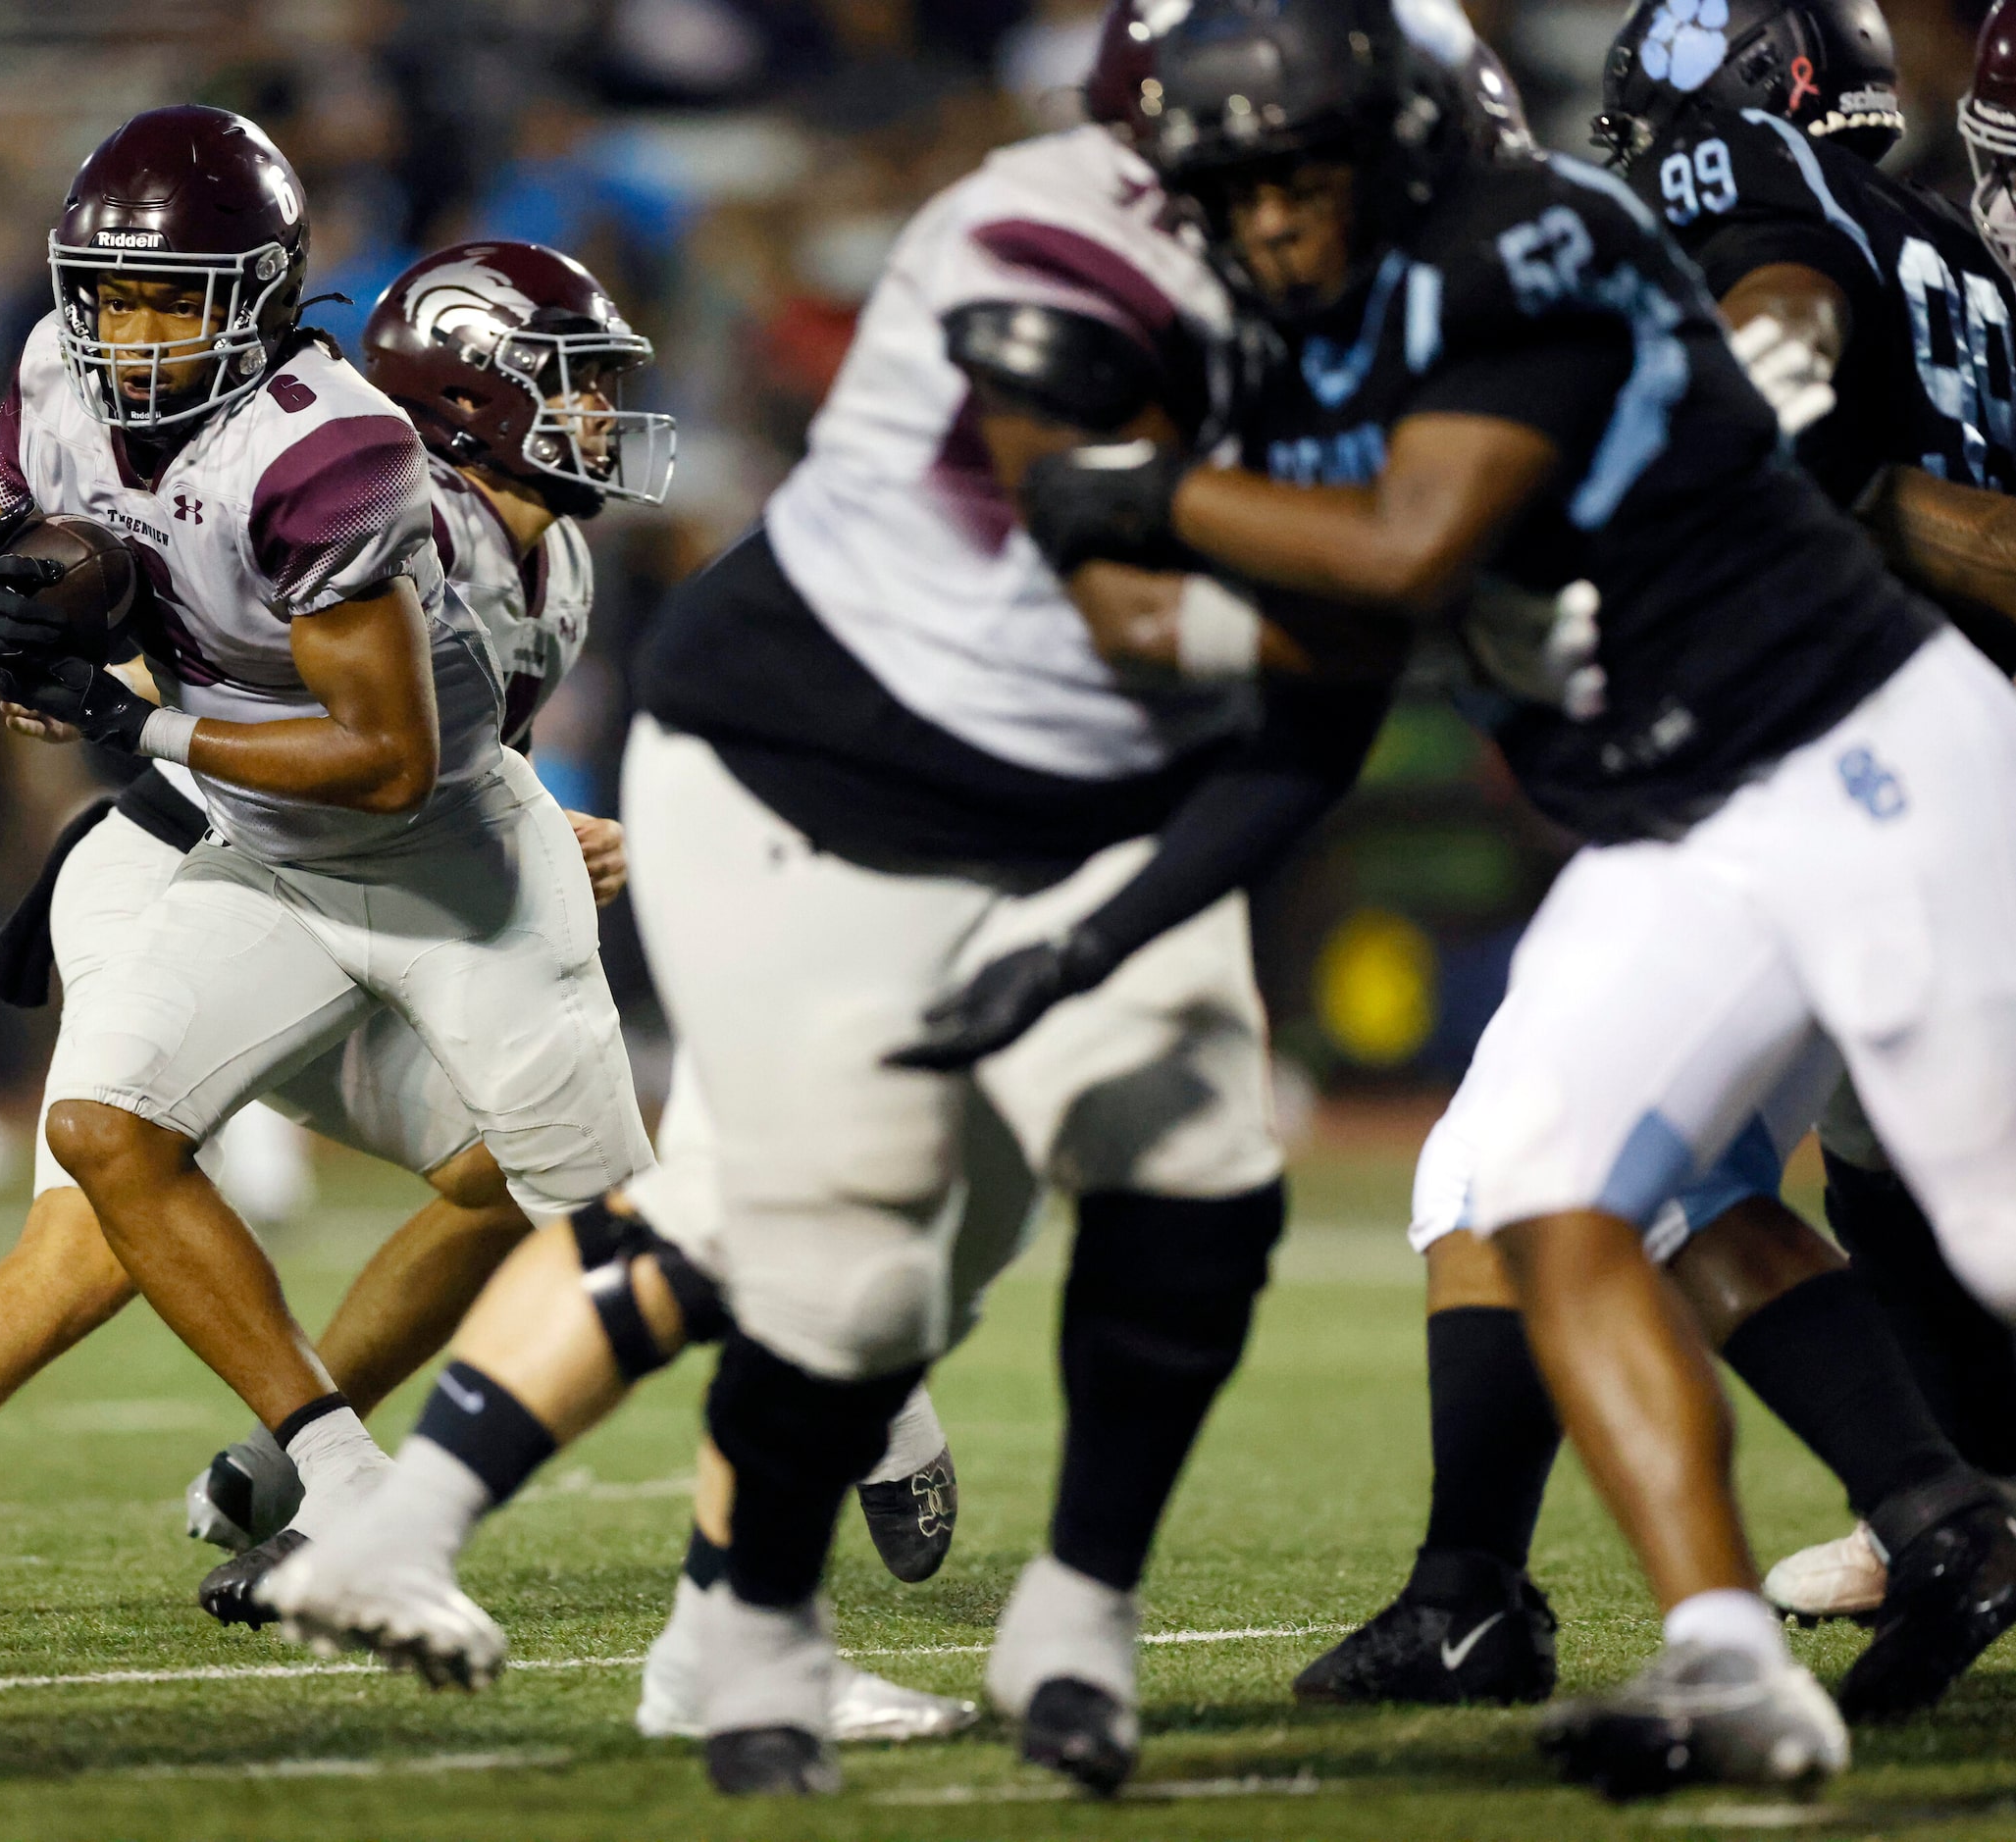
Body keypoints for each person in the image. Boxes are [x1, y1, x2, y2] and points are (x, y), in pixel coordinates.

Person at [262, 9, 1392, 1797]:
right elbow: (1137, 576)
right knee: (781, 1217)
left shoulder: (1357, 274)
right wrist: (1398, 594)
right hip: (821, 759)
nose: (1334, 200)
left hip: (1060, 772)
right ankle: (447, 1539)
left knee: (1039, 1211)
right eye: (1298, 157)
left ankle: (722, 1617)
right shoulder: (1049, 246)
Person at [1035, 0, 2016, 1795]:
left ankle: (1919, 1509)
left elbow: (1753, 309)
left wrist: (1157, 497)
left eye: (1291, 176)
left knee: (1992, 1222)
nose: (1259, 222)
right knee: (1534, 1182)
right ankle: (1731, 1654)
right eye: (1228, 187)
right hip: (1679, 811)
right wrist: (1098, 912)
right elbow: (1324, 662)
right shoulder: (1317, 344)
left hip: (1853, 749)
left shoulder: (1537, 228)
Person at [0, 109, 652, 1640]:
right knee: (99, 1203)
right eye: (114, 294)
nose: (133, 332)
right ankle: (318, 1485)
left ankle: (251, 1470)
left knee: (506, 1175)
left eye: (174, 296)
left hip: (338, 861)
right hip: (192, 861)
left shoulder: (368, 473)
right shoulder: (79, 392)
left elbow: (413, 749)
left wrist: (532, 816)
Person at [1299, 0, 2016, 1706]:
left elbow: (1775, 310)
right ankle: (1916, 1515)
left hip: (1819, 776)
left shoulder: (1727, 185)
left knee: (1533, 1167)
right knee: (1741, 1174)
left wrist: (1737, 436)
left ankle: (1895, 1525)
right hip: (1890, 768)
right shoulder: (1951, 258)